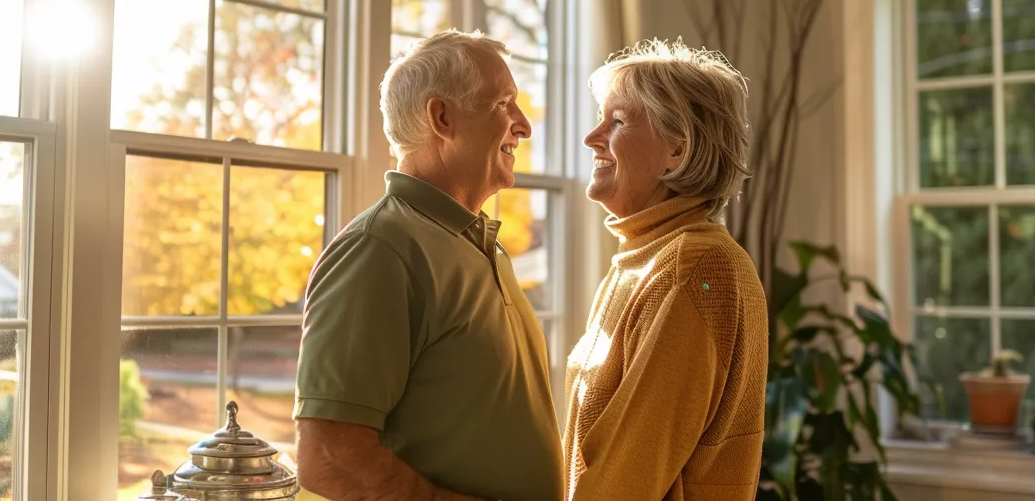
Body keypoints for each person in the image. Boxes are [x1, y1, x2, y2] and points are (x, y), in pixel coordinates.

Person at [294, 30, 561, 501]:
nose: (523, 126)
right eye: (504, 104)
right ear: (442, 117)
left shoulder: (485, 246)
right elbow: (329, 456)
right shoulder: (379, 248)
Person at [563, 40, 767, 500]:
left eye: (616, 121)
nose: (592, 138)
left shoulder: (693, 267)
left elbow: (628, 474)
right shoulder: (643, 256)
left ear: (677, 151)